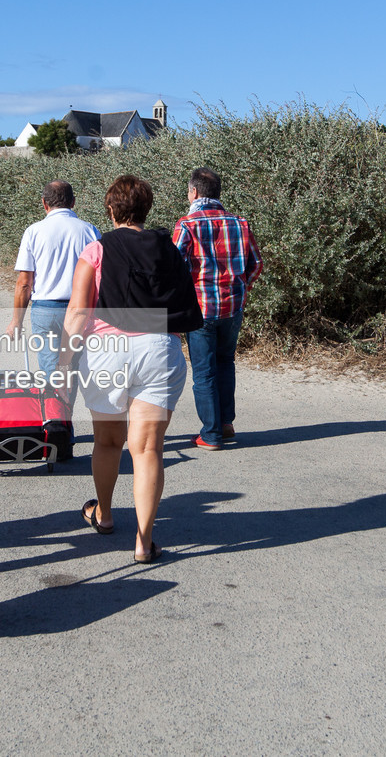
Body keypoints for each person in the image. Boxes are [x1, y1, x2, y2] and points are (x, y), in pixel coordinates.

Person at [65, 175, 202, 563]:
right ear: (146, 209)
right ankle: (144, 540)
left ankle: (105, 514)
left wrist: (62, 364)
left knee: (108, 442)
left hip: (108, 350)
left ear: (110, 210)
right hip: (158, 347)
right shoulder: (169, 249)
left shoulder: (96, 250)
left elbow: (77, 313)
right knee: (147, 449)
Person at [171, 167, 263, 451]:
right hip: (233, 306)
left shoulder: (186, 224)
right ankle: (225, 423)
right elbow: (256, 264)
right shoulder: (240, 223)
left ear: (194, 192)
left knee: (204, 372)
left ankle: (210, 434)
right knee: (226, 362)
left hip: (201, 308)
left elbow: (176, 269)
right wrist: (240, 287)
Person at [4, 181, 99, 393]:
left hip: (45, 310)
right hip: (81, 310)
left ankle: (56, 421)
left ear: (44, 203)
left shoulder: (33, 232)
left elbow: (24, 283)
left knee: (51, 374)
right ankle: (66, 420)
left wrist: (16, 320)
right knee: (73, 370)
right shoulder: (90, 231)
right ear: (73, 202)